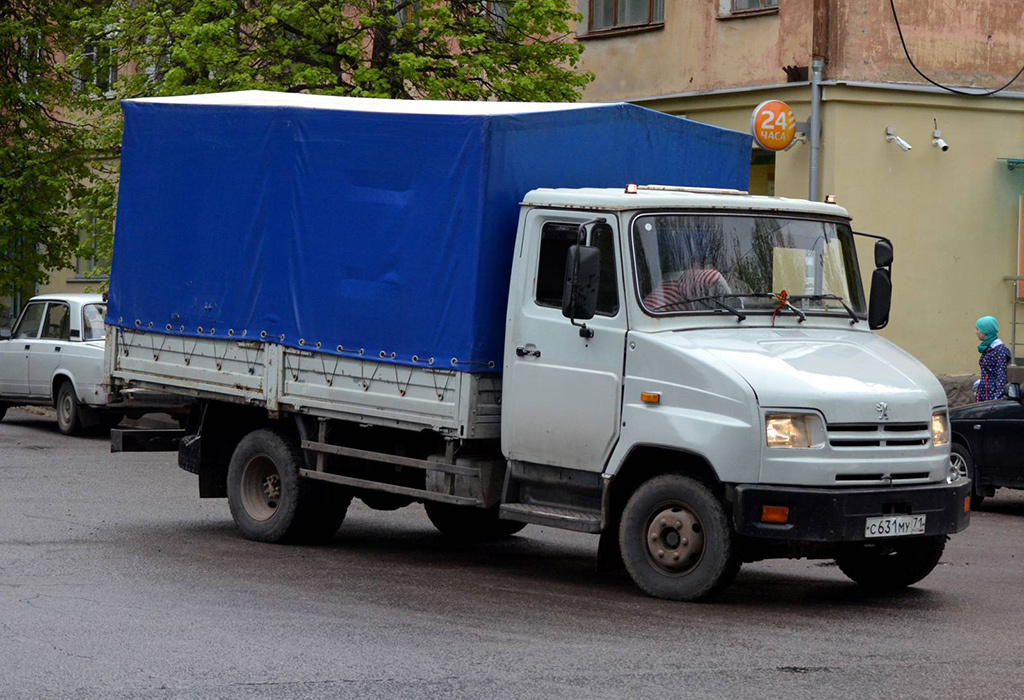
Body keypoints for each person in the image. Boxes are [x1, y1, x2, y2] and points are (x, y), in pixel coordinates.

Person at [974, 315, 1012, 402]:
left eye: (978, 329)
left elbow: (1001, 376)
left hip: (992, 396)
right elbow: (989, 372)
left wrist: (998, 399)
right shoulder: (988, 348)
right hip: (984, 393)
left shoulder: (999, 350)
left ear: (985, 331)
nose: (976, 332)